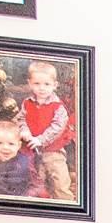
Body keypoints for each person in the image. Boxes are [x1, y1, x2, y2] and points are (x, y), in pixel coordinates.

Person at [17, 59, 74, 202]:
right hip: (31, 150)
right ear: (30, 83)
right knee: (37, 181)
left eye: (47, 84)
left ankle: (66, 204)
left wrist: (40, 140)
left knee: (59, 180)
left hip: (53, 151)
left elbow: (58, 127)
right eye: (37, 84)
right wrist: (25, 131)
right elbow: (21, 119)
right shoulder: (27, 103)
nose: (42, 88)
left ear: (55, 85)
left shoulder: (57, 106)